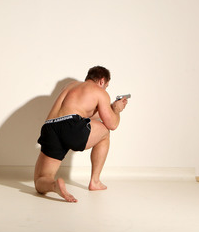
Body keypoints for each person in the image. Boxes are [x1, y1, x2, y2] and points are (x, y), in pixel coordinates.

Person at [34, 66, 128, 202]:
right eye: (106, 86)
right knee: (105, 132)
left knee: (41, 180)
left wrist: (110, 108)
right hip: (71, 127)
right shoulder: (100, 92)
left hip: (50, 127)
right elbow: (112, 124)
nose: (105, 89)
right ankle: (95, 182)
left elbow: (82, 113)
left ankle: (53, 185)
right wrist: (117, 110)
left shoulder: (71, 86)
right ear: (102, 81)